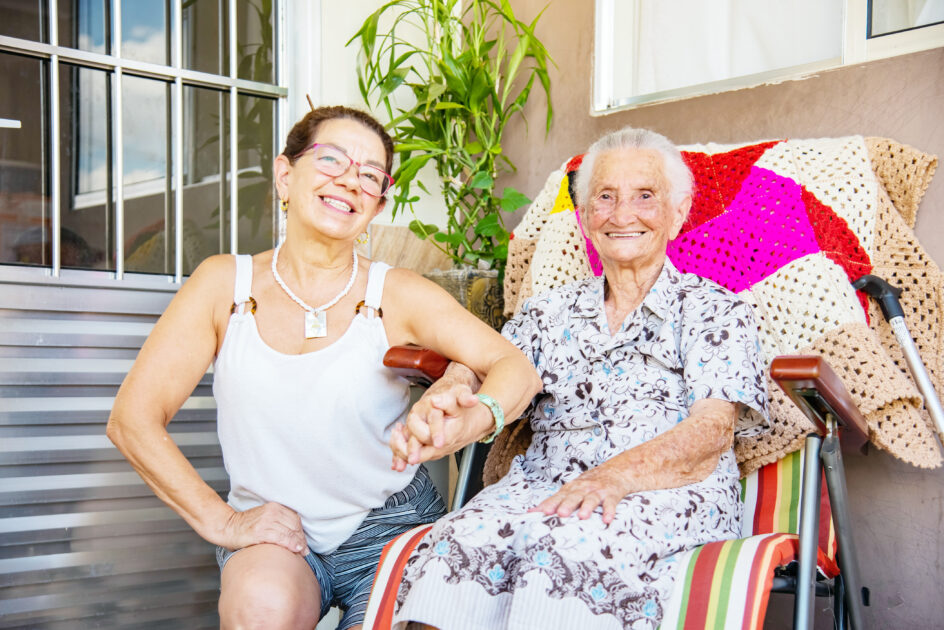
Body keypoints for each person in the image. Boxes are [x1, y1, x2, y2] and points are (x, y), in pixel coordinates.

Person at [106, 105, 541, 630]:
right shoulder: (224, 285)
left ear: (377, 204)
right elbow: (133, 419)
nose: (349, 181)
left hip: (391, 524)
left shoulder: (396, 292)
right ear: (285, 175)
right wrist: (222, 520)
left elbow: (515, 367)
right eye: (331, 159)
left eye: (370, 175)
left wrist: (470, 421)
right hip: (276, 529)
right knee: (261, 608)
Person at [389, 126, 769, 630]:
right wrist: (452, 391)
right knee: (450, 547)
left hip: (663, 493)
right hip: (542, 487)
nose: (622, 213)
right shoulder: (550, 312)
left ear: (678, 214)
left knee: (562, 547)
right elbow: (490, 364)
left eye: (645, 197)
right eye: (605, 197)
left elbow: (712, 431)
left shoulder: (714, 311)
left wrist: (611, 477)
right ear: (588, 217)